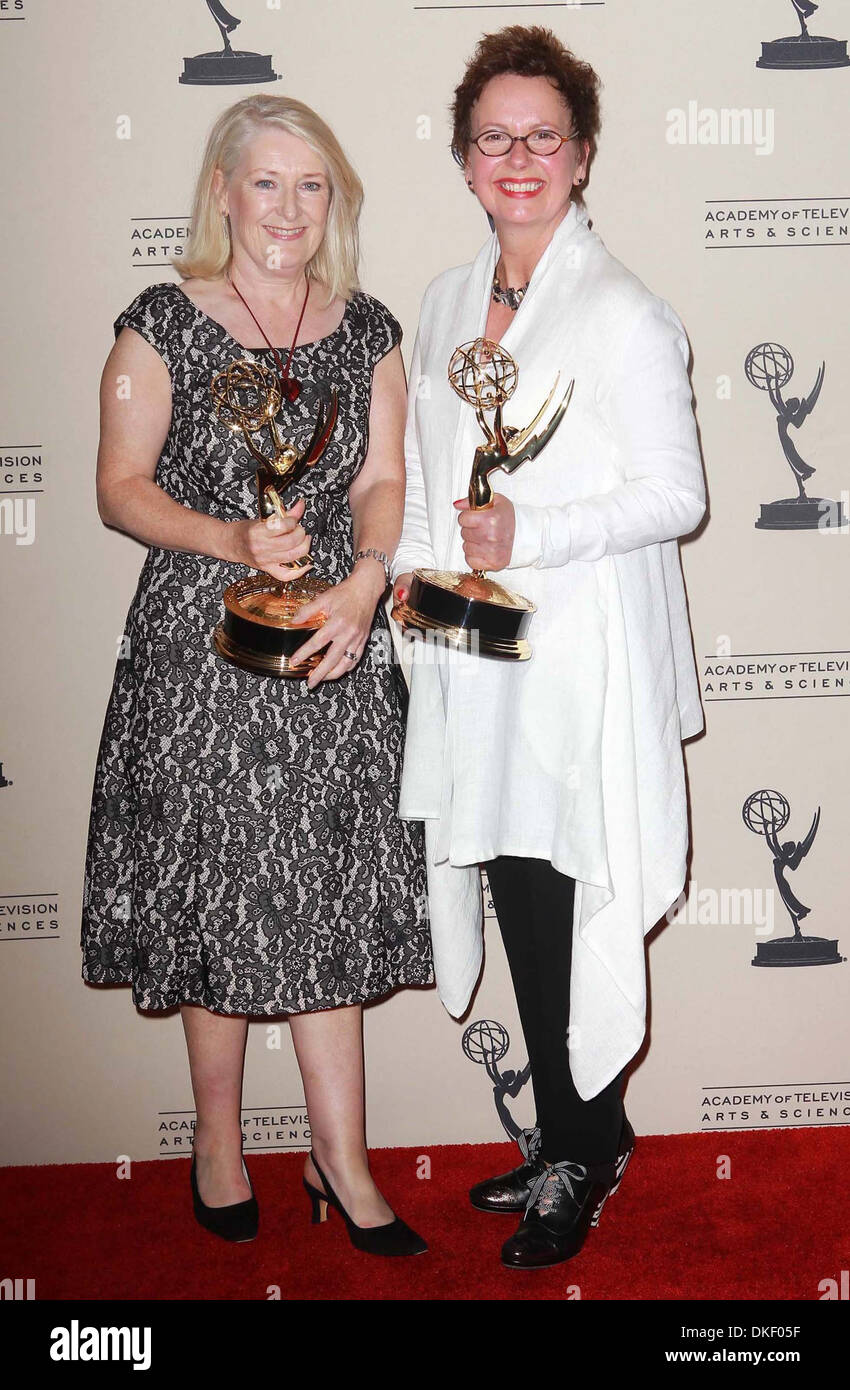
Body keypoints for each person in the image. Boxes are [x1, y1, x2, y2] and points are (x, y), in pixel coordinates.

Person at [81, 93, 431, 1257]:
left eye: (311, 184)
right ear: (223, 192)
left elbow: (384, 477)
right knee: (214, 888)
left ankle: (343, 1157)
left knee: (323, 883)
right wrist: (233, 539)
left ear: (335, 199)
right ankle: (218, 1142)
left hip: (333, 629)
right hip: (203, 638)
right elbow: (120, 487)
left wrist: (367, 579)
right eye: (266, 182)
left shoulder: (368, 326)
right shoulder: (160, 321)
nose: (288, 207)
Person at [392, 25, 706, 1269]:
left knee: (572, 888)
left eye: (542, 136)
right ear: (465, 158)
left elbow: (672, 496)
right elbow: (423, 475)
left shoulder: (625, 311)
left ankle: (586, 1144)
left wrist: (537, 525)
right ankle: (577, 1125)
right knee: (517, 883)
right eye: (494, 138)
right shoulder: (441, 303)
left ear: (579, 156)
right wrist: (416, 591)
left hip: (580, 655)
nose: (517, 158)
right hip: (475, 648)